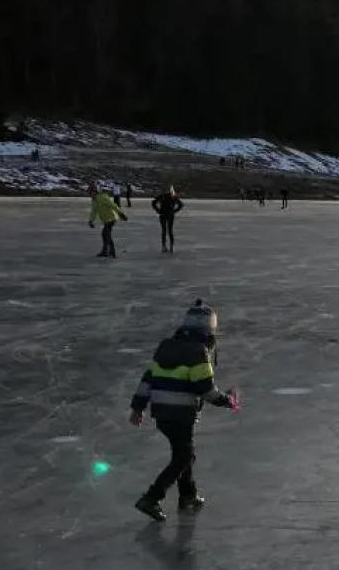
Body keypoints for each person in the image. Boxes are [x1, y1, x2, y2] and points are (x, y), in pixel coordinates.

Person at [129, 300, 238, 521]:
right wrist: (227, 401)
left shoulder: (166, 347)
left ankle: (188, 495)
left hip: (162, 412)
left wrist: (137, 408)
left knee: (183, 453)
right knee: (184, 456)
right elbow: (205, 389)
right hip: (181, 413)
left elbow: (147, 379)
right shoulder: (199, 352)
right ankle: (151, 498)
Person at [89, 183, 128, 258]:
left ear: (96, 191)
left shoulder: (103, 197)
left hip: (111, 218)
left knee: (106, 234)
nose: (91, 194)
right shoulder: (95, 200)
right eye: (90, 192)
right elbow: (94, 211)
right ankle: (105, 251)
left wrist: (121, 214)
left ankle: (111, 253)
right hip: (106, 220)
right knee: (105, 234)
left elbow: (113, 206)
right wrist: (91, 220)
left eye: (92, 192)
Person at [152, 186, 184, 253]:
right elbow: (181, 205)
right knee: (170, 231)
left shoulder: (162, 196)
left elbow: (153, 203)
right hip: (170, 215)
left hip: (163, 214)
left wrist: (158, 210)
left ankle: (164, 247)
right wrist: (174, 211)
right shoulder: (173, 196)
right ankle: (171, 247)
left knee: (164, 231)